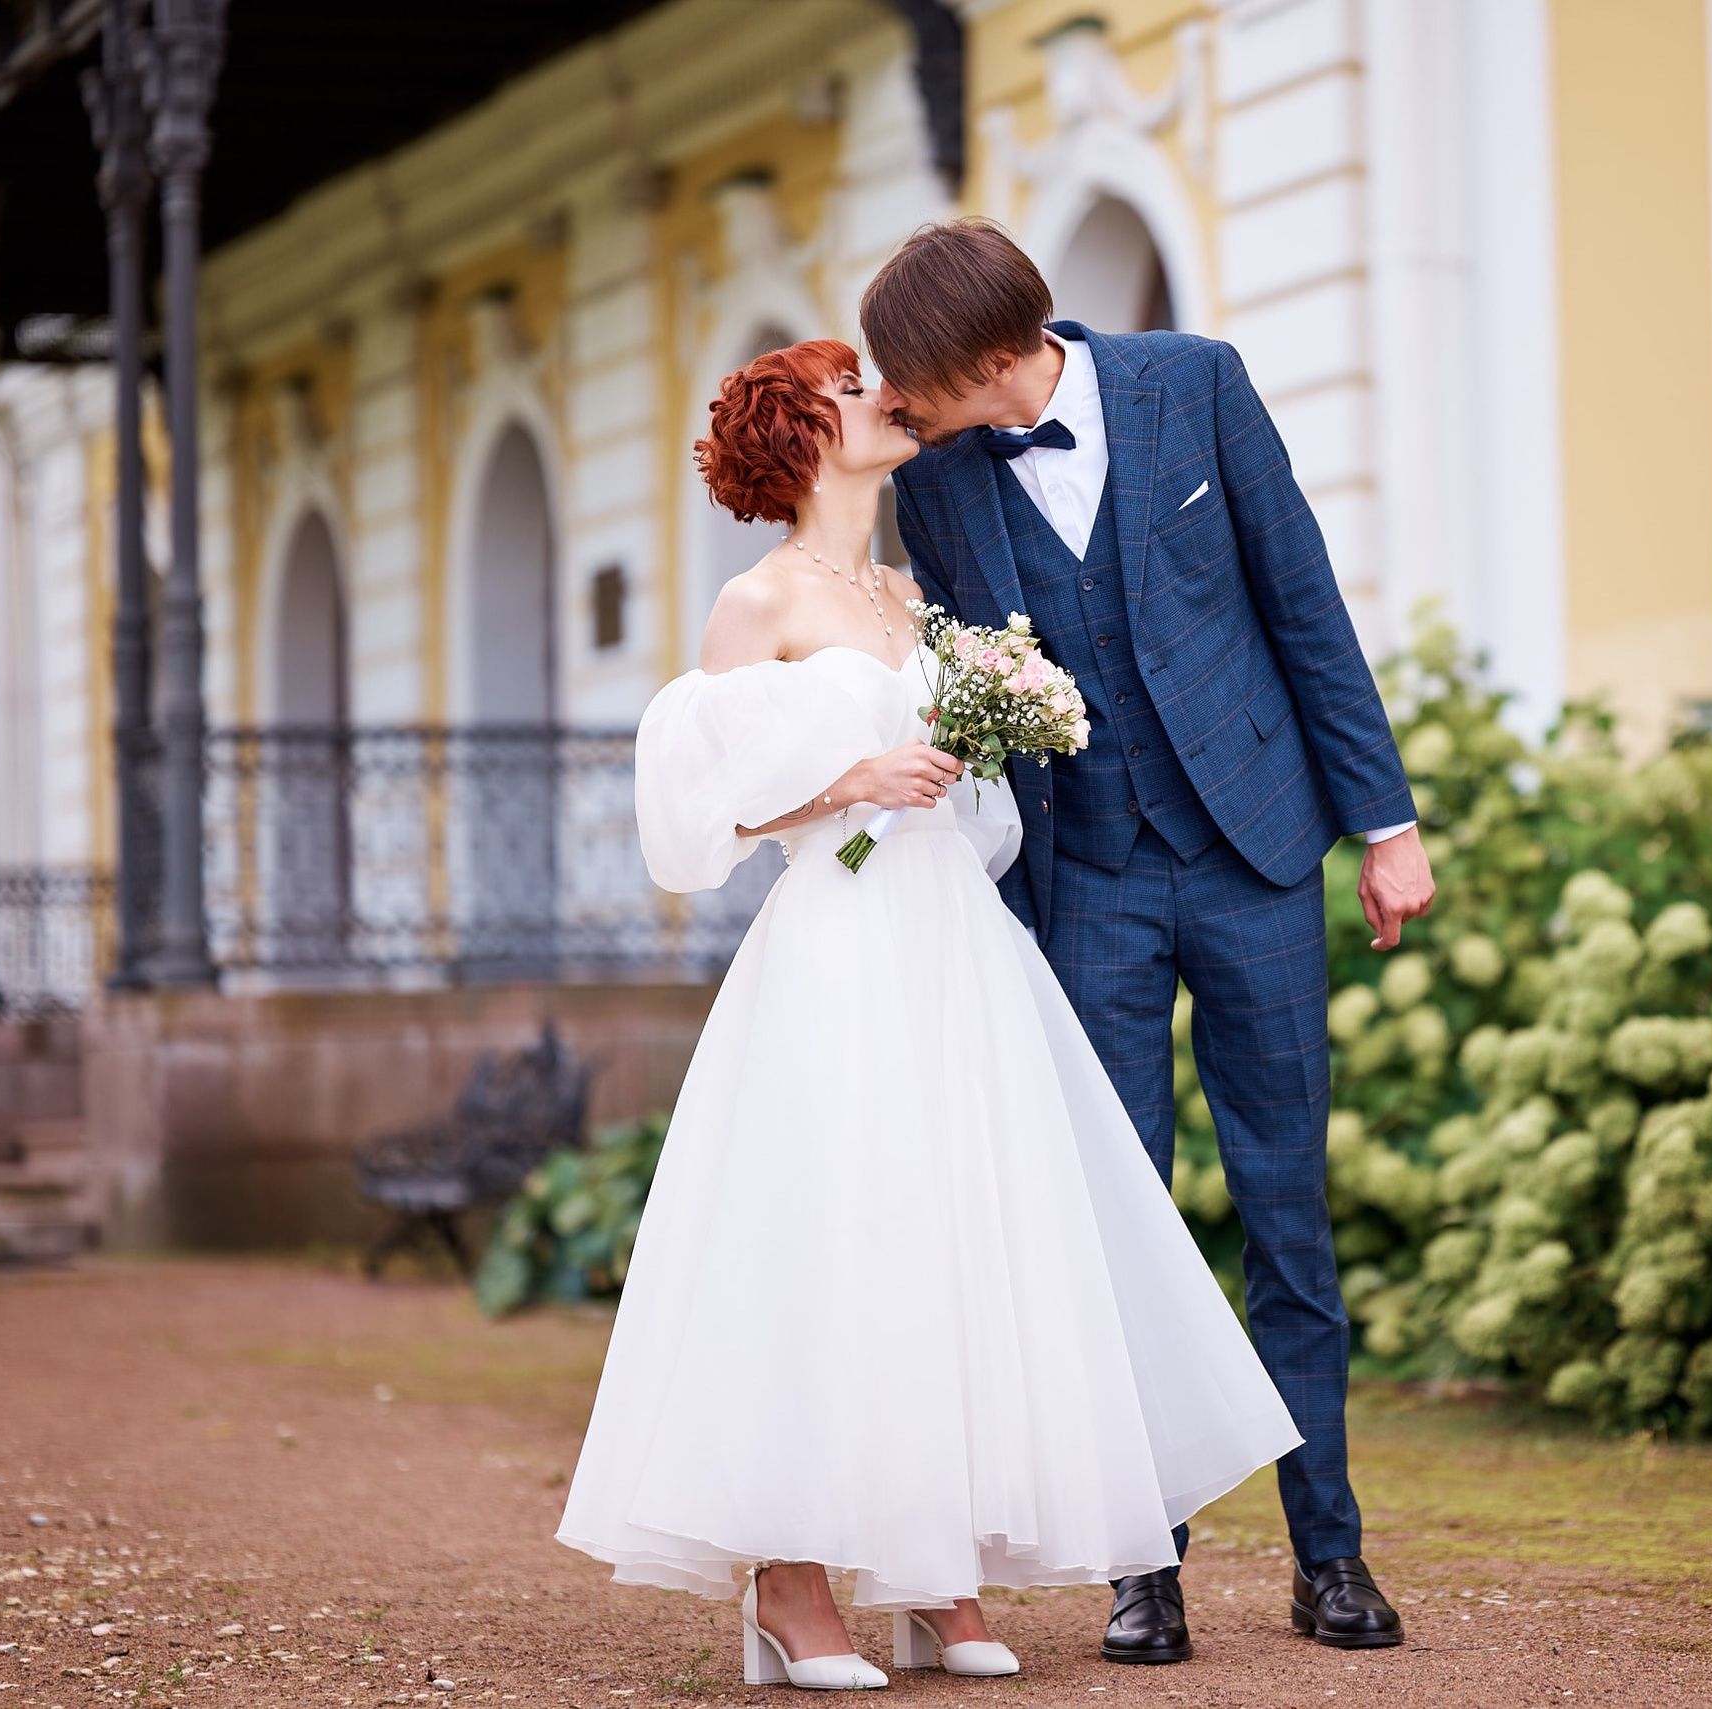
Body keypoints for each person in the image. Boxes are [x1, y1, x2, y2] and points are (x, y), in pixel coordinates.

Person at [555, 338, 1302, 1691]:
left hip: (954, 939)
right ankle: (789, 1583)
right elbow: (694, 816)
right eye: (849, 389)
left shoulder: (911, 595)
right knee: (835, 1233)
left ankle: (936, 1567)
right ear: (799, 437)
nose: (879, 396)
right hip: (837, 945)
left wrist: (974, 748)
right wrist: (846, 776)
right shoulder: (758, 602)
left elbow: (975, 812)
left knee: (959, 1227)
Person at [862, 218, 1435, 1664]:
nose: (902, 402)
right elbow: (947, 666)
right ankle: (1144, 1566)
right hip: (1087, 878)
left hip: (1251, 850)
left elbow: (1302, 603)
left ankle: (1331, 1553)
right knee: (1118, 1228)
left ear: (997, 358)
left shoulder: (1200, 383)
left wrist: (1388, 821)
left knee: (1285, 1208)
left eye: (916, 380)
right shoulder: (931, 481)